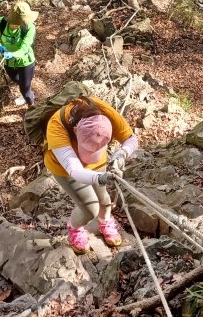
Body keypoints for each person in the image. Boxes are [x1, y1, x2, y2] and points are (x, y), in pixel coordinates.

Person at [44, 95, 138, 253]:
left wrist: (120, 156)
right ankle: (74, 228)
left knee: (104, 199)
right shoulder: (56, 125)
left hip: (98, 163)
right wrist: (100, 178)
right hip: (63, 167)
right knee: (90, 208)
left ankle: (105, 221)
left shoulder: (106, 114)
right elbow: (75, 170)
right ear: (75, 130)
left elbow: (131, 139)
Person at [0, 0, 38, 107]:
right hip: (8, 61)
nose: (21, 24)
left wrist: (13, 54)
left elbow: (25, 47)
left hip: (25, 61)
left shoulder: (29, 27)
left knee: (25, 90)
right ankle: (25, 90)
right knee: (15, 79)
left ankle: (31, 104)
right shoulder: (1, 23)